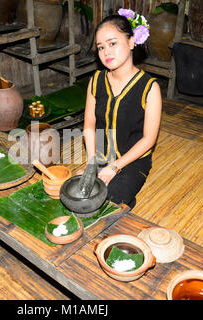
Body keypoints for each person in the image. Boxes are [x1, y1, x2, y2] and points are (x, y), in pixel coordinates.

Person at [80, 14, 162, 209]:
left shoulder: (149, 88)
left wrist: (114, 167)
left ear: (132, 42)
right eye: (101, 47)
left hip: (132, 161)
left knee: (106, 203)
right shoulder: (96, 80)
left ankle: (123, 198)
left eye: (112, 43)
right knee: (79, 195)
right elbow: (89, 127)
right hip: (101, 157)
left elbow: (149, 140)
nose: (106, 51)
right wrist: (92, 162)